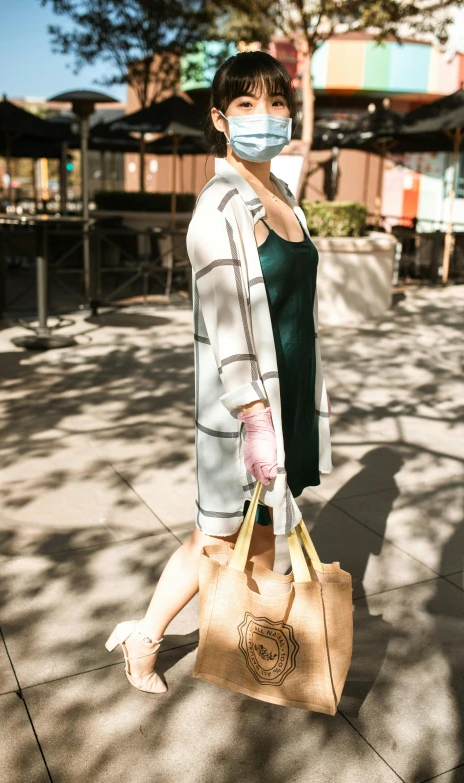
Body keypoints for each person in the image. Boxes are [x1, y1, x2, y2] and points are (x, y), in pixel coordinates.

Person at [105, 51, 332, 694]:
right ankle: (144, 639)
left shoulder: (282, 192)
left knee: (259, 532)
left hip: (286, 390)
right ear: (220, 119)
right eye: (247, 105)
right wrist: (255, 417)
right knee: (216, 536)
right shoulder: (219, 204)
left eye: (278, 103)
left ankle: (257, 651)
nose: (267, 116)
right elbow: (226, 319)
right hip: (245, 404)